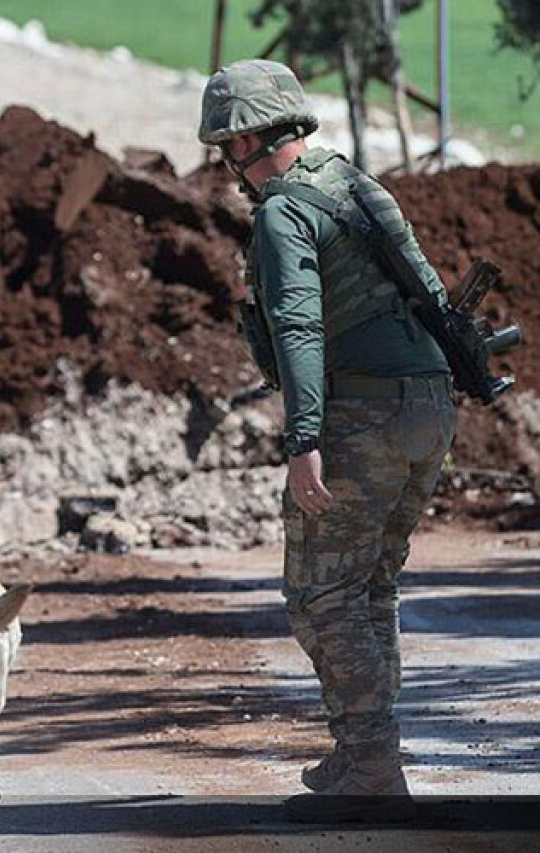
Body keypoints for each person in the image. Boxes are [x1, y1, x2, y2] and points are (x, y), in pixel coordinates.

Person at [198, 59, 458, 820]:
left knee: (322, 594)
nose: (227, 167)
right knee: (371, 584)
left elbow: (299, 328)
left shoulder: (283, 212)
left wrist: (302, 437)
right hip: (428, 406)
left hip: (361, 417)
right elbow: (427, 285)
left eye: (225, 149)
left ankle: (372, 768)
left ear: (249, 140)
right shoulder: (352, 181)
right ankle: (362, 755)